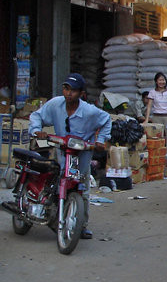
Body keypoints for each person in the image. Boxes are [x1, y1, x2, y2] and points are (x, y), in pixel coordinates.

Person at [28, 73, 111, 239]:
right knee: (58, 182)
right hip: (61, 151)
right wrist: (36, 130)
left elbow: (106, 120)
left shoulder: (89, 111)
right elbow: (36, 115)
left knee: (82, 188)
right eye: (66, 89)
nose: (68, 93)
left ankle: (81, 224)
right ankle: (54, 214)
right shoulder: (55, 104)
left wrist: (101, 140)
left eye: (73, 90)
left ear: (81, 94)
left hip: (82, 154)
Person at [144, 72, 167, 154]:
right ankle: (158, 155)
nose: (162, 82)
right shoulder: (152, 92)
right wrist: (147, 119)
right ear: (156, 81)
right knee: (157, 137)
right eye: (160, 80)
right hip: (157, 117)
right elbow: (149, 106)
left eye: (163, 80)